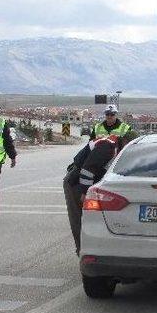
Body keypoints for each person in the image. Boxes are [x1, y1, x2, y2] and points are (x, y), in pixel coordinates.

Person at [63, 105, 137, 255]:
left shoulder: (122, 134)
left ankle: (97, 248)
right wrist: (85, 192)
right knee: (84, 215)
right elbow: (88, 168)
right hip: (78, 179)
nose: (110, 117)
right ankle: (83, 249)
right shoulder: (107, 146)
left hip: (93, 171)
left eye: (112, 114)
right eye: (108, 114)